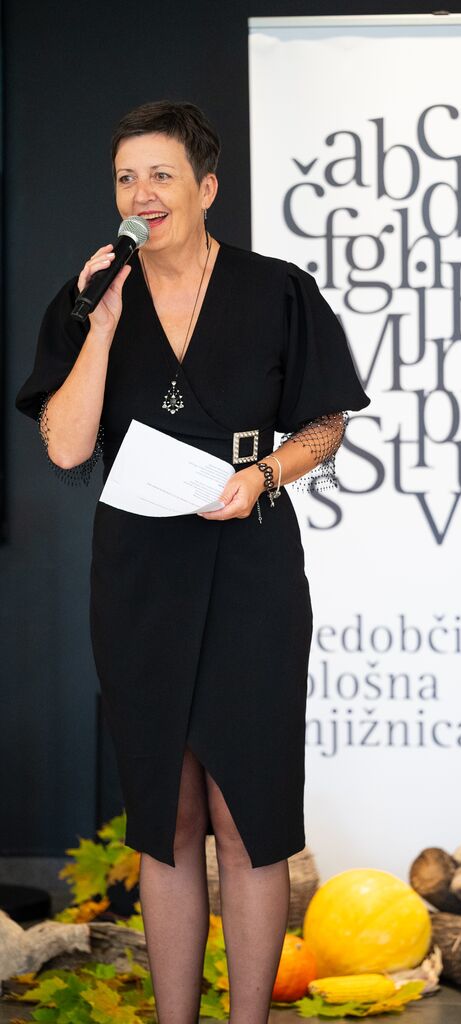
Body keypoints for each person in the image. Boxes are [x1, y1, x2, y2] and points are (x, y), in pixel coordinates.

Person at [15, 100, 371, 1024]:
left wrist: (264, 476)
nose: (142, 193)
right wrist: (101, 326)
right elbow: (66, 446)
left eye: (161, 175)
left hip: (251, 560)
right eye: (126, 178)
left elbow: (327, 425)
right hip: (139, 570)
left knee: (247, 816)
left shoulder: (276, 289)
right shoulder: (91, 296)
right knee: (165, 822)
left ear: (206, 188)